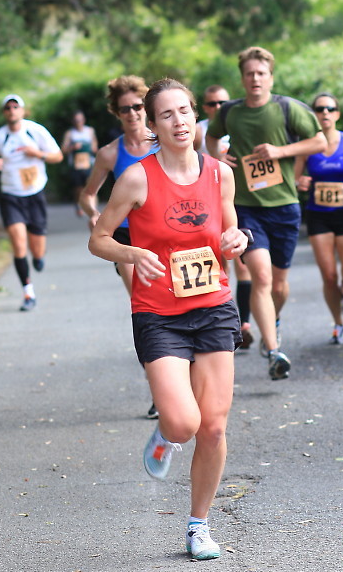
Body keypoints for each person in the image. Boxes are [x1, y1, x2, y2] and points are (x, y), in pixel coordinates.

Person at [88, 78, 248, 561]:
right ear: (153, 125)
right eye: (167, 115)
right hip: (159, 313)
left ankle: (198, 526)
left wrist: (236, 240)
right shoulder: (136, 177)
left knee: (214, 428)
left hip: (214, 304)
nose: (179, 122)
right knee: (183, 424)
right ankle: (166, 436)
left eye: (184, 111)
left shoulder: (220, 173)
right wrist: (132, 252)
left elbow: (230, 225)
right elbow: (99, 239)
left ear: (195, 116)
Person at [206, 46, 327, 380]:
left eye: (261, 73)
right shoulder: (230, 111)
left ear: (270, 76)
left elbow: (319, 142)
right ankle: (274, 352)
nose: (255, 79)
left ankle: (271, 320)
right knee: (260, 275)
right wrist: (219, 159)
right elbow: (211, 137)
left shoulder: (288, 108)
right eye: (249, 74)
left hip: (284, 206)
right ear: (242, 78)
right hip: (246, 208)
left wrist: (281, 151)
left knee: (279, 285)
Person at [79, 75, 158, 418]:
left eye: (138, 106)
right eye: (125, 109)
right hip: (124, 239)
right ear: (116, 112)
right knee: (144, 305)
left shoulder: (165, 141)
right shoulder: (110, 153)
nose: (132, 113)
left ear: (146, 106)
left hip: (162, 234)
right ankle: (160, 388)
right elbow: (86, 195)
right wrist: (94, 214)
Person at [294, 93, 343, 345]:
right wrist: (301, 182)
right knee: (329, 276)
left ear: (337, 114)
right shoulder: (307, 145)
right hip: (319, 217)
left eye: (330, 108)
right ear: (314, 115)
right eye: (320, 109)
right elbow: (295, 178)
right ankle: (338, 324)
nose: (325, 113)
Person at [0, 94, 63, 311]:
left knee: (37, 250)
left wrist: (38, 154)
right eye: (8, 108)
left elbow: (58, 156)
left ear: (23, 111)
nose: (12, 110)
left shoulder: (36, 131)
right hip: (10, 196)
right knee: (18, 243)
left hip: (35, 195)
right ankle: (28, 293)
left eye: (16, 107)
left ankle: (38, 256)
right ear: (3, 113)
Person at [194, 84, 254, 349]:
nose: (217, 108)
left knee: (243, 263)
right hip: (211, 202)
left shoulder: (239, 124)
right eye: (211, 104)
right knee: (222, 262)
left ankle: (244, 323)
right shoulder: (198, 131)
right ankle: (229, 324)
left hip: (244, 199)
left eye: (222, 103)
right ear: (204, 107)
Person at [61, 110, 98, 216]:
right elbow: (63, 149)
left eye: (80, 120)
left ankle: (92, 208)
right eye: (76, 120)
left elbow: (95, 146)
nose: (78, 122)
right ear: (73, 121)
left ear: (83, 120)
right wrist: (73, 147)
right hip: (76, 165)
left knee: (91, 185)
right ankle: (78, 204)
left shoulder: (90, 131)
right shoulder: (70, 133)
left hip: (88, 164)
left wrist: (91, 148)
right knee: (78, 188)